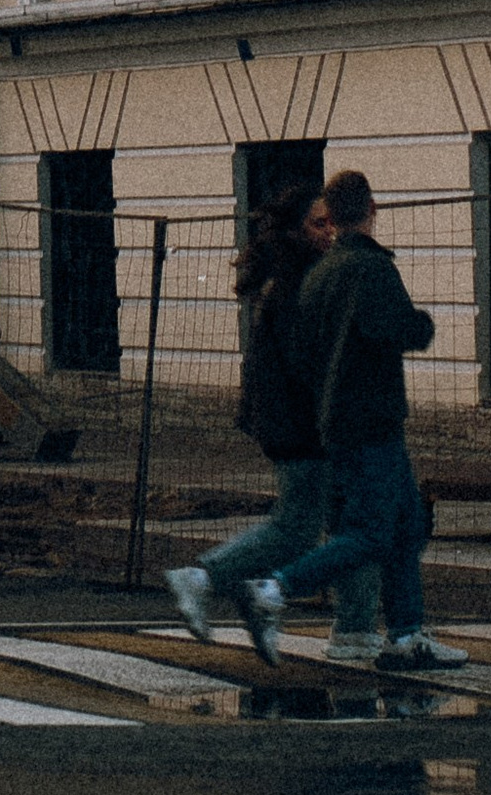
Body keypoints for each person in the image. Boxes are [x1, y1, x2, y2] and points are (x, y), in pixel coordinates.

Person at [249, 170, 463, 677]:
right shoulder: (370, 268)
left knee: (406, 525)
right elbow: (393, 328)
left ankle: (408, 635)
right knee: (369, 533)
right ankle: (273, 589)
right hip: (371, 418)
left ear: (334, 213)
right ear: (372, 207)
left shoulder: (322, 272)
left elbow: (308, 350)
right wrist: (424, 323)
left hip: (339, 419)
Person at [164, 193, 385, 667]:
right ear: (296, 230)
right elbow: (314, 365)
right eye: (318, 224)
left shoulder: (292, 279)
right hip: (312, 429)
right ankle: (207, 579)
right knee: (326, 528)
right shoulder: (305, 281)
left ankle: (354, 628)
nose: (329, 232)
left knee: (333, 526)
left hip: (298, 426)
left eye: (331, 223)